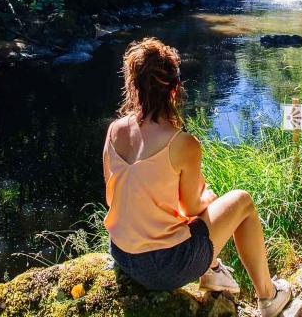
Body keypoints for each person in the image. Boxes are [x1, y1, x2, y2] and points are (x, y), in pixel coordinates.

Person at [103, 37, 292, 317]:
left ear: (134, 86)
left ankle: (215, 270)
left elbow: (121, 196)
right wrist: (209, 197)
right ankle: (268, 296)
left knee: (185, 217)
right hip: (163, 268)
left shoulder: (115, 130)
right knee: (241, 202)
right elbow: (192, 208)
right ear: (175, 89)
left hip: (121, 253)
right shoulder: (182, 144)